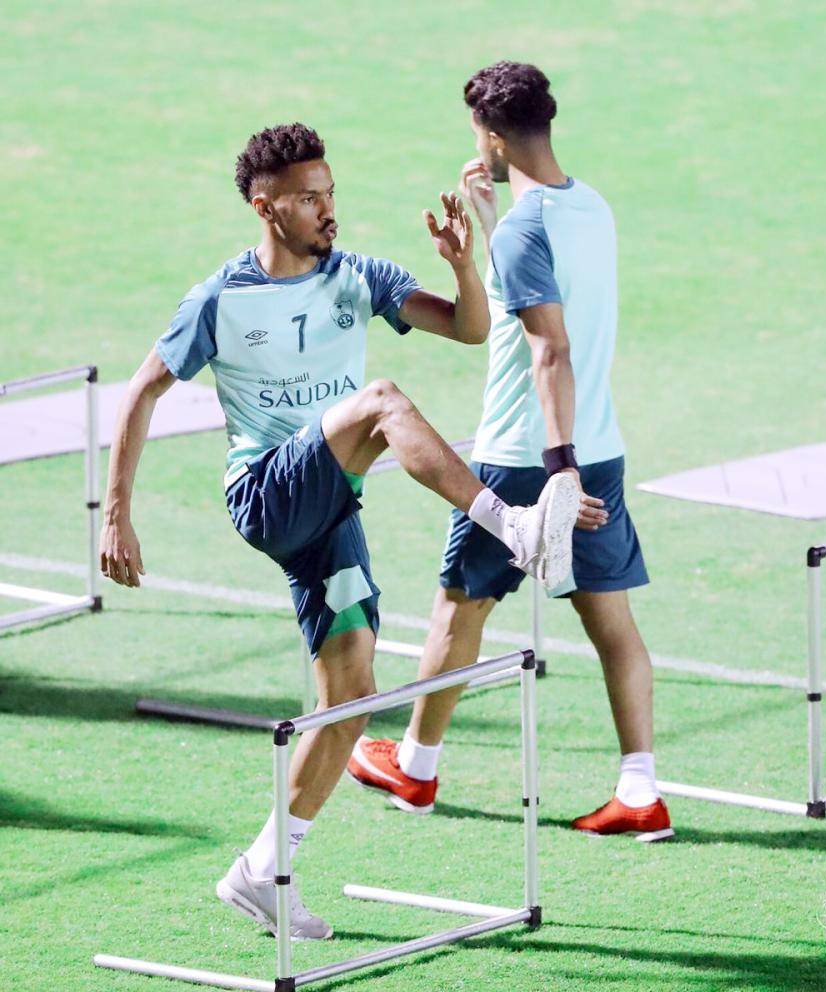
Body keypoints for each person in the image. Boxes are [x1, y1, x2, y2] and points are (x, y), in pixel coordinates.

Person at [99, 122, 581, 940]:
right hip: (267, 494)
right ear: (266, 208)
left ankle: (263, 871)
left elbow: (469, 329)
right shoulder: (220, 299)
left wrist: (463, 267)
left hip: (328, 509)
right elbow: (142, 390)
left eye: (331, 193)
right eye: (309, 198)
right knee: (382, 401)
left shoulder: (360, 277)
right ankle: (514, 528)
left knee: (352, 695)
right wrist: (116, 514)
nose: (329, 209)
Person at [349, 63, 674, 842]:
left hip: (527, 456)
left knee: (459, 608)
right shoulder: (588, 207)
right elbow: (537, 292)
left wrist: (557, 468)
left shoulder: (528, 231)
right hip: (600, 449)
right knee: (613, 622)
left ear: (493, 137)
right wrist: (493, 224)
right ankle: (640, 790)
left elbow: (548, 348)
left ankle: (416, 769)